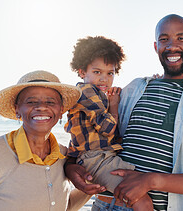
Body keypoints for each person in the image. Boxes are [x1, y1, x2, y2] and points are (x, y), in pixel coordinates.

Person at [65, 14, 183, 211]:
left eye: (181, 38)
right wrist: (70, 167)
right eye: (164, 39)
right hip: (106, 205)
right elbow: (87, 131)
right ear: (156, 47)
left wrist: (150, 181)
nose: (172, 46)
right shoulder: (133, 89)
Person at [64, 36, 152, 210]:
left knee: (141, 186)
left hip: (99, 158)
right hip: (95, 159)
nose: (104, 79)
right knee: (142, 199)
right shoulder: (86, 91)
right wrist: (114, 105)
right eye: (97, 72)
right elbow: (108, 128)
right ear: (82, 72)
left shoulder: (93, 94)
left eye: (109, 73)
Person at [0, 70, 88, 210]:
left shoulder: (65, 156)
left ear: (61, 111)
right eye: (31, 101)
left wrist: (90, 187)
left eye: (50, 101)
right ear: (17, 110)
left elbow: (63, 207)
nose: (42, 107)